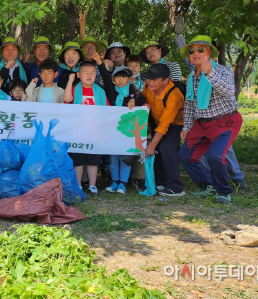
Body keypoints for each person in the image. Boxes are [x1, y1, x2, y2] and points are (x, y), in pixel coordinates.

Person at [173, 17, 247, 190]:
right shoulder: (192, 74)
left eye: (200, 49)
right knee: (185, 155)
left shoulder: (222, 71)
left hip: (225, 121)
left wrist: (210, 73)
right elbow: (190, 104)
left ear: (211, 54)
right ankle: (208, 186)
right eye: (192, 51)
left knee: (216, 155)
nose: (195, 53)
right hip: (202, 124)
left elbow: (229, 92)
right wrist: (186, 126)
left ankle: (228, 186)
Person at [63, 56, 110, 196]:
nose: (89, 75)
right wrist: (70, 81)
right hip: (77, 131)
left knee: (93, 160)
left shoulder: (100, 91)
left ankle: (93, 185)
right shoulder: (74, 89)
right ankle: (78, 185)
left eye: (92, 73)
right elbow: (66, 100)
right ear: (78, 74)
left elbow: (106, 110)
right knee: (77, 161)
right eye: (86, 72)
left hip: (95, 131)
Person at [139, 64, 185, 197]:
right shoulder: (148, 86)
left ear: (165, 81)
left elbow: (165, 124)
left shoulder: (173, 95)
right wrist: (143, 104)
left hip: (176, 124)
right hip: (156, 121)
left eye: (154, 79)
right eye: (148, 78)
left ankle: (176, 186)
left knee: (166, 148)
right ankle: (161, 182)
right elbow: (144, 99)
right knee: (158, 151)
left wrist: (151, 145)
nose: (150, 82)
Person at [104, 66, 145, 195]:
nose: (120, 79)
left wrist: (136, 100)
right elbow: (104, 75)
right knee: (113, 158)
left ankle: (123, 184)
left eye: (124, 77)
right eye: (117, 76)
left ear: (129, 79)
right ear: (113, 79)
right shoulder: (110, 90)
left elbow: (142, 100)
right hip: (111, 130)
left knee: (125, 158)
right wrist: (100, 62)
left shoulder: (134, 89)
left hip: (128, 131)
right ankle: (114, 182)